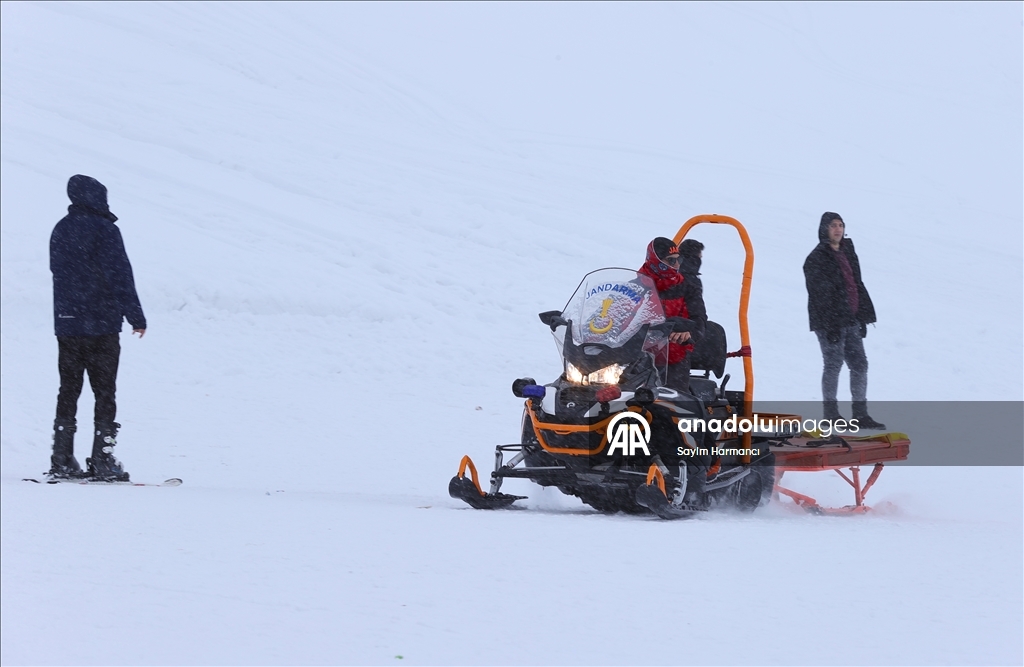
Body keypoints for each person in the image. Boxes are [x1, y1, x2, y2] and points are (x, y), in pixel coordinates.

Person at [49, 175, 146, 480]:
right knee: (104, 391)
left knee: (69, 388)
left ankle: (61, 458)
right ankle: (103, 459)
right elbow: (120, 274)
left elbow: (60, 273)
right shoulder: (106, 230)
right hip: (101, 324)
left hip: (67, 324)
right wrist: (135, 316)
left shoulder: (61, 229)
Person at [803, 212, 884, 429]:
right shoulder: (816, 258)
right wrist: (830, 324)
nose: (838, 229)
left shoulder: (848, 251)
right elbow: (819, 295)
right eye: (833, 226)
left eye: (840, 225)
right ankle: (831, 414)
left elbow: (856, 284)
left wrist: (863, 318)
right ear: (824, 229)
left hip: (850, 319)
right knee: (833, 364)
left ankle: (860, 414)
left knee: (859, 364)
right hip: (830, 322)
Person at [638, 237, 695, 391]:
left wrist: (688, 331)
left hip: (673, 359)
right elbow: (614, 313)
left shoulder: (687, 288)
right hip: (634, 359)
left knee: (673, 408)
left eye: (679, 260)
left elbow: (699, 320)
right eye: (671, 261)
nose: (677, 265)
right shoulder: (634, 288)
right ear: (656, 261)